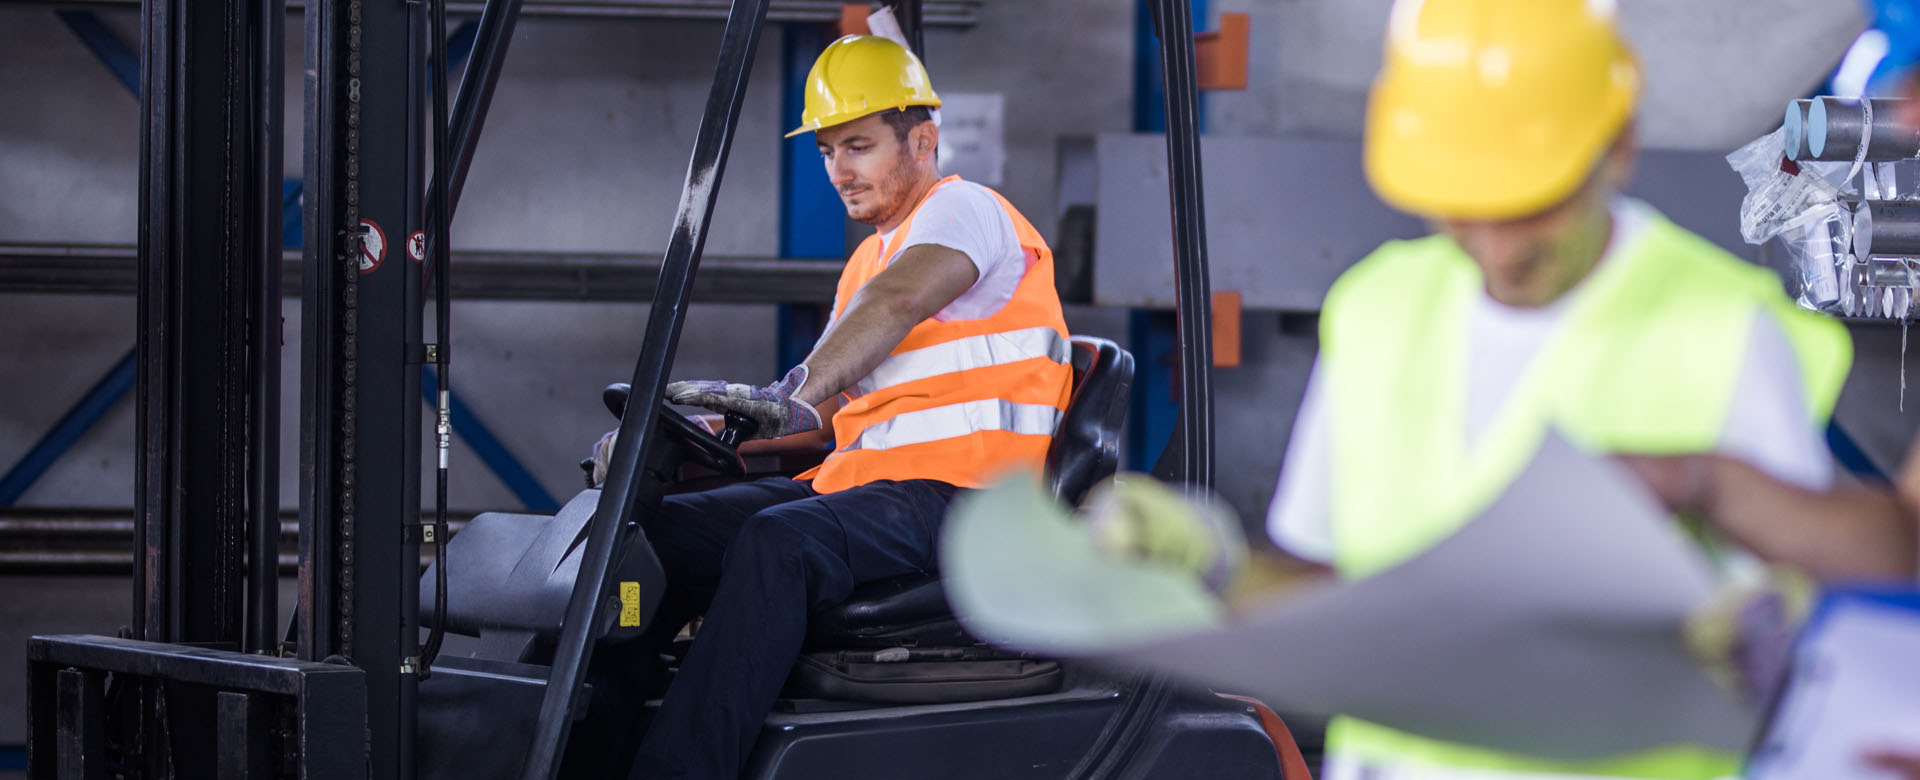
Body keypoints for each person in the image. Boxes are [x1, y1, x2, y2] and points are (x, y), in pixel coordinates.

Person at [1099, 0, 1855, 778]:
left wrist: (1778, 630)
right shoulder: (1378, 310)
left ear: (1618, 145)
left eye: (1534, 205)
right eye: (1463, 208)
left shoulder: (1725, 330)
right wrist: (1210, 564)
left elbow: (1818, 626)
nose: (1499, 248)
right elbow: (1338, 592)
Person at [600, 34, 1074, 779]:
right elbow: (824, 410)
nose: (839, 171)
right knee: (649, 528)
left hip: (969, 499)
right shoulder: (868, 259)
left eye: (858, 146)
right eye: (827, 151)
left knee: (778, 544)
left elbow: (898, 303)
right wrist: (700, 438)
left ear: (922, 141)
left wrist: (786, 393)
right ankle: (596, 744)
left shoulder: (967, 213)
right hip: (870, 490)